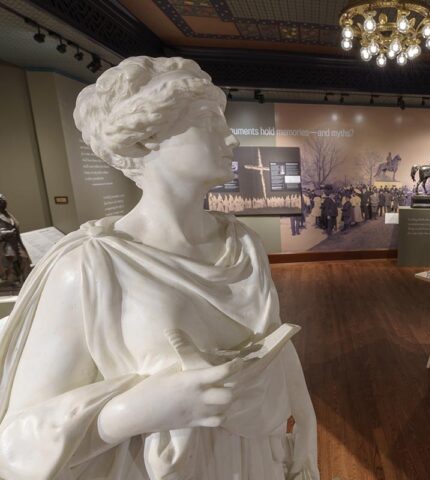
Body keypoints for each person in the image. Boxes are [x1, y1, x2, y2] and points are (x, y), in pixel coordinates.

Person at [0, 57, 318, 479]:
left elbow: (274, 347)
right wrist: (130, 411)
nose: (231, 138)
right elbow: (17, 443)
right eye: (209, 121)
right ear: (145, 139)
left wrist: (305, 423)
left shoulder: (242, 244)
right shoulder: (90, 268)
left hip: (261, 458)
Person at [0, 194, 31, 285]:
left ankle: (24, 284)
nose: (3, 202)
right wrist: (4, 233)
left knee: (24, 262)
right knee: (10, 270)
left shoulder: (8, 214)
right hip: (4, 247)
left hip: (17, 244)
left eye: (3, 200)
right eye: (1, 200)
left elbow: (15, 225)